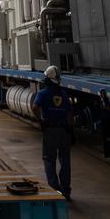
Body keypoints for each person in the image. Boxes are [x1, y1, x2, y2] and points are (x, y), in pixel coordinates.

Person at [33, 65, 72, 200]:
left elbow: (35, 107)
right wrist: (70, 130)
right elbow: (69, 114)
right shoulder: (63, 94)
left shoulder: (43, 93)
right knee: (65, 160)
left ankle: (54, 190)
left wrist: (41, 121)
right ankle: (66, 191)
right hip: (63, 131)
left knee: (49, 160)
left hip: (50, 130)